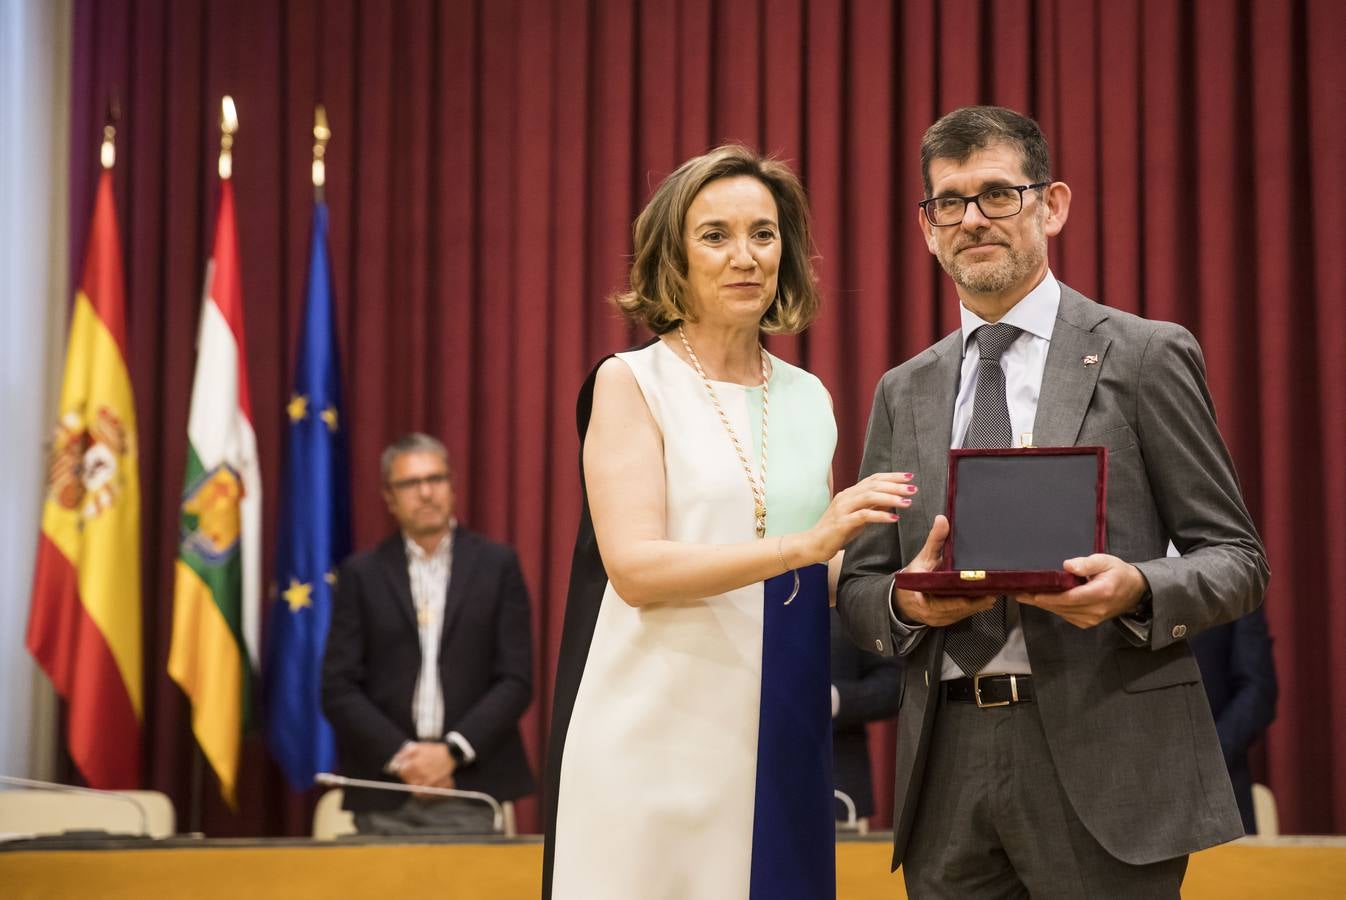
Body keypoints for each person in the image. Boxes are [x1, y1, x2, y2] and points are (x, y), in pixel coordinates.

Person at [838, 106, 1269, 898]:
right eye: (950, 202)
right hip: (947, 769)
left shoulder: (1145, 356)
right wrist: (905, 602)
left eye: (998, 194)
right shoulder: (904, 390)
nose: (973, 219)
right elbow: (862, 589)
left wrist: (1137, 589)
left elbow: (1238, 561)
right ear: (927, 228)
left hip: (1107, 759)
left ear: (1053, 205)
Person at [542, 145, 913, 900]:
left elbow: (826, 565)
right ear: (671, 256)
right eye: (715, 235)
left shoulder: (811, 396)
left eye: (764, 234)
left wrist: (910, 580)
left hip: (776, 728)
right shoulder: (631, 381)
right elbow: (636, 570)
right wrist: (803, 547)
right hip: (648, 736)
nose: (745, 256)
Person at [321, 433, 535, 835]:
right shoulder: (361, 574)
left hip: (472, 786)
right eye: (409, 483)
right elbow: (338, 686)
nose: (425, 493)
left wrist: (450, 753)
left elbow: (516, 679)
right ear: (389, 496)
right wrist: (407, 758)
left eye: (435, 479)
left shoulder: (497, 565)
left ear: (452, 486)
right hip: (384, 787)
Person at [1191, 606, 1279, 834]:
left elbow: (1258, 690)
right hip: (1124, 791)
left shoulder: (1234, 583)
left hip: (1220, 788)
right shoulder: (1098, 581)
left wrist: (1206, 759)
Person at [830, 606, 899, 830]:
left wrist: (836, 699)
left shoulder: (846, 599)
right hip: (745, 782)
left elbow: (894, 684)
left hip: (839, 787)